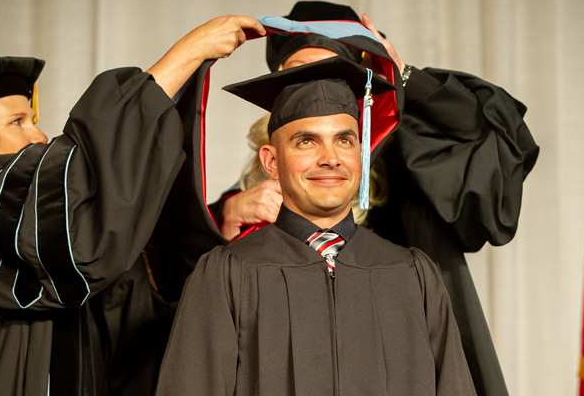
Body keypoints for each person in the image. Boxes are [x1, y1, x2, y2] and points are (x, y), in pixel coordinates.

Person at [0, 16, 266, 396]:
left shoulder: (30, 239)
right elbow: (84, 181)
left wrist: (216, 228)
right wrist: (184, 56)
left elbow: (123, 295)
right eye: (18, 122)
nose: (38, 135)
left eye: (34, 120)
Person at [208, 2, 540, 395]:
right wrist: (226, 212)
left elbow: (498, 133)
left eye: (331, 71)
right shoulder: (258, 178)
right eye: (298, 71)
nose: (327, 157)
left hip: (400, 357)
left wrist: (402, 75)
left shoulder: (407, 160)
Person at [156, 56, 477, 395]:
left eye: (345, 140)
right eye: (306, 141)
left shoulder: (412, 274)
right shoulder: (228, 274)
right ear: (272, 162)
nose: (331, 158)